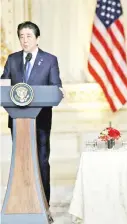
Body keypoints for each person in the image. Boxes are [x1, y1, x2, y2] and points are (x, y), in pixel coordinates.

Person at [1, 21, 64, 223]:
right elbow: (4, 86)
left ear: (37, 38)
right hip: (18, 123)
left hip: (41, 121)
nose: (24, 40)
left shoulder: (49, 60)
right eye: (21, 36)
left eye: (29, 36)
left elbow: (56, 87)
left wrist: (58, 91)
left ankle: (44, 207)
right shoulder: (12, 60)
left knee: (41, 162)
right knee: (21, 163)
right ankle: (19, 206)